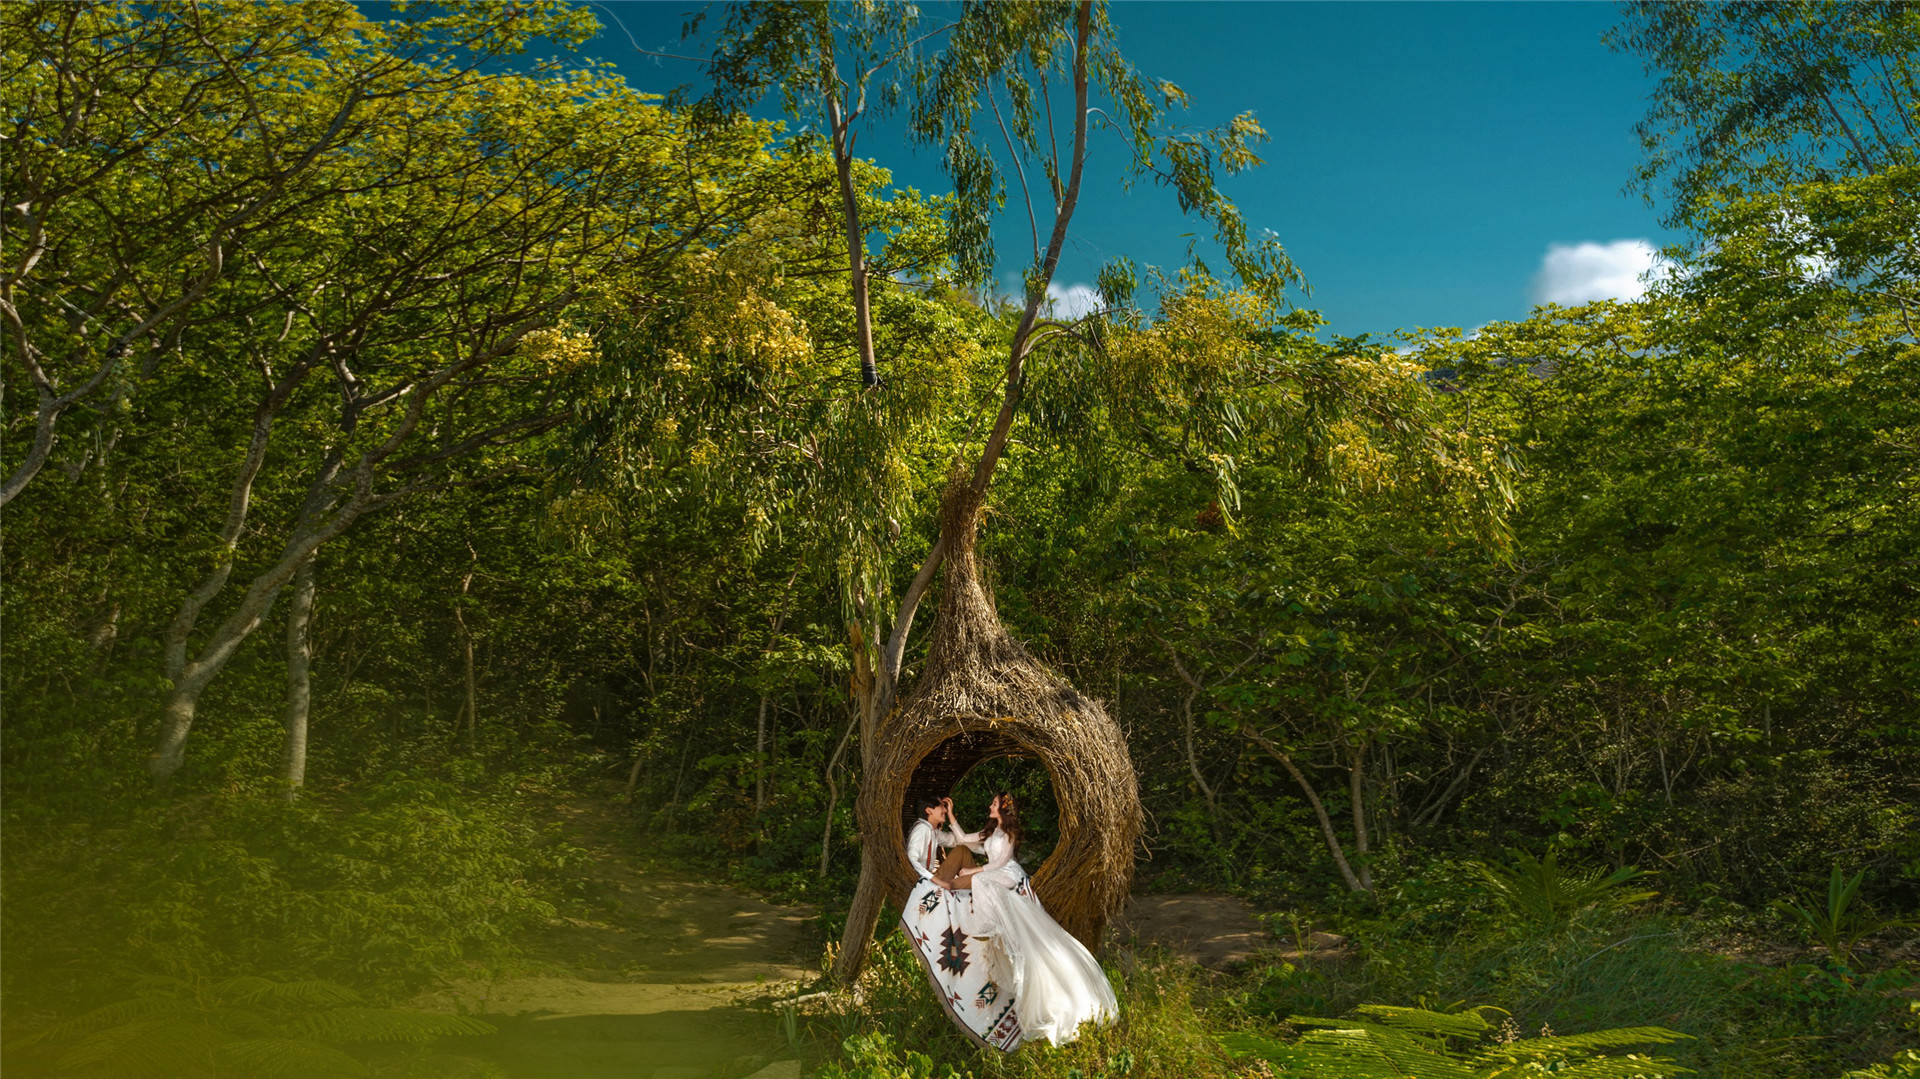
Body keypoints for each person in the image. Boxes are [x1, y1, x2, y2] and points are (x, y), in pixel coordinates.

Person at [941, 792, 1119, 1047]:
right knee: (980, 881)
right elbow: (962, 839)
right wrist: (951, 815)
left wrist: (973, 870)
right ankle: (989, 924)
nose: (989, 806)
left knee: (979, 879)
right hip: (995, 873)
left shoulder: (1009, 834)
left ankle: (986, 925)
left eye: (993, 804)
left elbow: (1000, 863)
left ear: (1004, 809)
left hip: (1008, 873)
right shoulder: (990, 833)